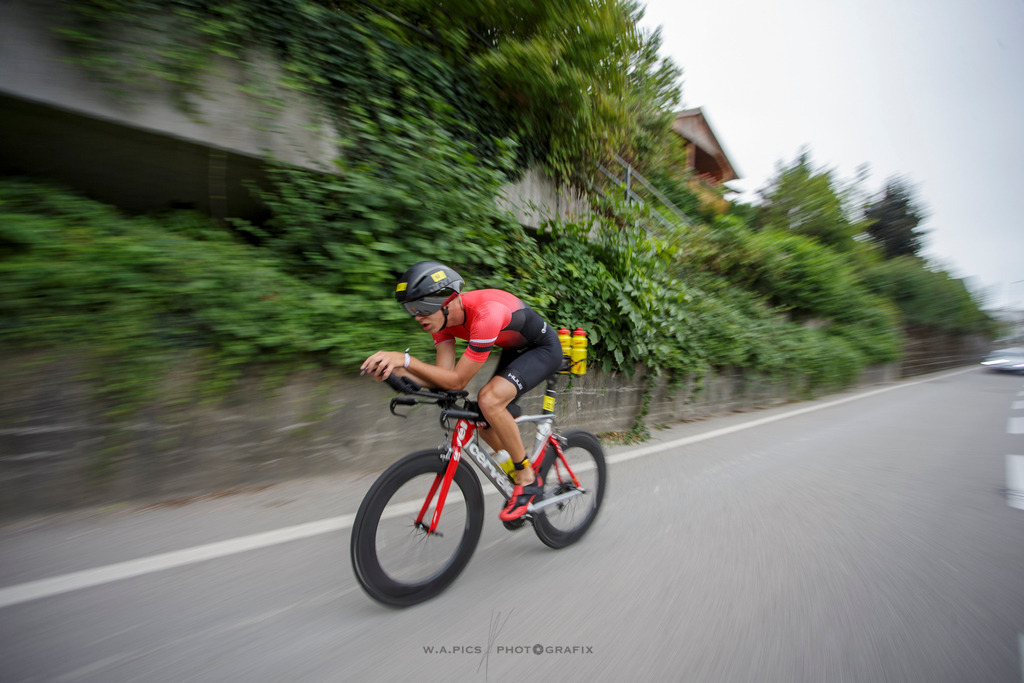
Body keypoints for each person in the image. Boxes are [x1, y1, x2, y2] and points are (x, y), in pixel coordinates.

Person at [360, 261, 563, 521]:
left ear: (446, 300)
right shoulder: (440, 323)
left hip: (543, 349)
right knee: (483, 419)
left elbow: (457, 382)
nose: (417, 316)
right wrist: (397, 373)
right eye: (410, 309)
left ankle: (527, 477)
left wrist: (405, 360)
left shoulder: (485, 316)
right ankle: (517, 466)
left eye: (421, 308)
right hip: (514, 349)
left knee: (489, 400)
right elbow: (442, 378)